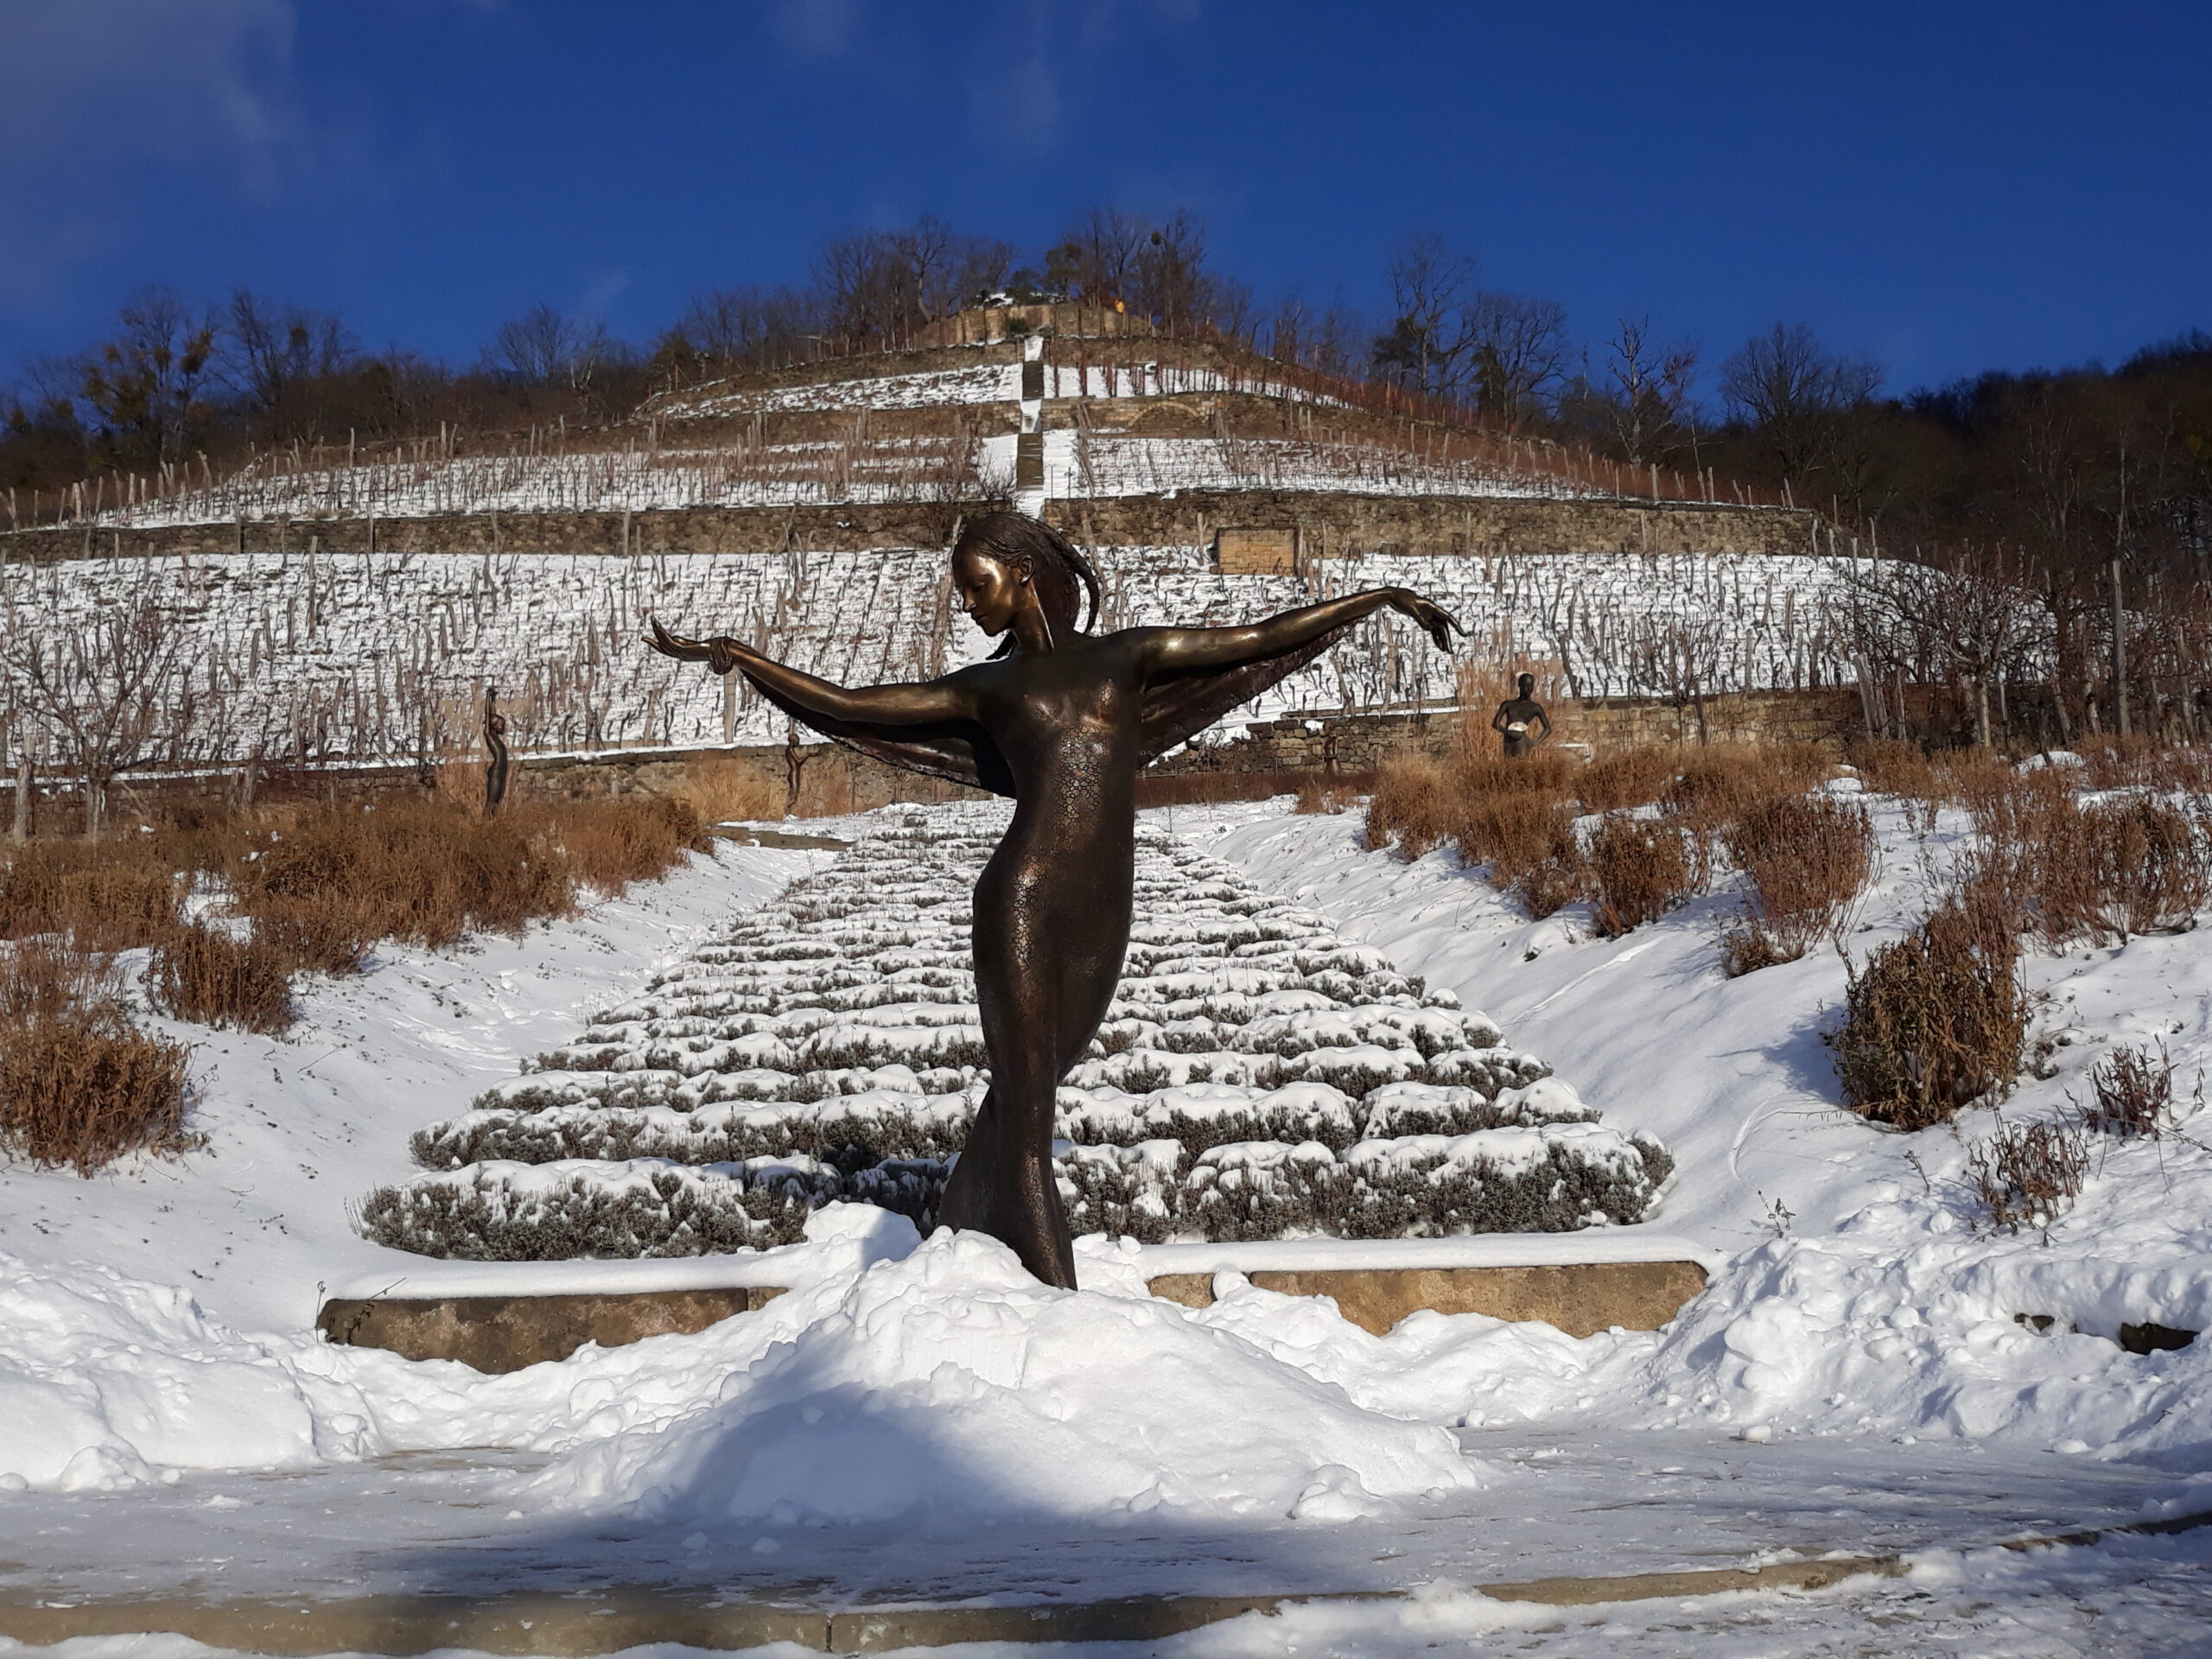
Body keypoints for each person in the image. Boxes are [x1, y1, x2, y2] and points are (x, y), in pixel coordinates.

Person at [648, 512, 1461, 1287]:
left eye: (976, 584)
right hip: (1022, 900)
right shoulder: (985, 690)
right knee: (1031, 1127)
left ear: (1022, 576)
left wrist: (1379, 598)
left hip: (1104, 906)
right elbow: (853, 706)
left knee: (1022, 1094)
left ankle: (959, 1239)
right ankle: (1055, 1301)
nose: (965, 603)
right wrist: (740, 657)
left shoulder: (1125, 658)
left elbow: (1254, 640)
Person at [1491, 672, 1552, 758]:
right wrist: (1508, 733)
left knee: (1520, 766)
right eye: (1526, 685)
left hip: (1522, 742)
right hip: (1508, 741)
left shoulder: (1535, 707)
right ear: (1519, 685)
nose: (1528, 688)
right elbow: (1495, 723)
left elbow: (1548, 729)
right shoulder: (1508, 704)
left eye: (1531, 686)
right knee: (1507, 766)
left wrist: (1535, 743)